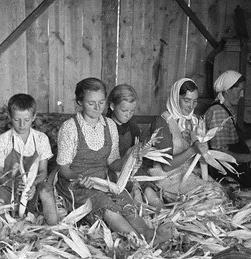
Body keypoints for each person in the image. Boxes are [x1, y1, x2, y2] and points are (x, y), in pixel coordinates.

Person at [55, 77, 171, 245]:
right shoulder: (70, 127)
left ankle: (148, 232)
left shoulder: (109, 125)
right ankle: (138, 239)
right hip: (77, 183)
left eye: (101, 102)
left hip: (104, 179)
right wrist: (79, 178)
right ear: (80, 102)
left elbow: (112, 163)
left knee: (123, 198)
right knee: (103, 203)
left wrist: (128, 159)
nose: (97, 108)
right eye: (91, 103)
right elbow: (63, 168)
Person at [0, 94, 57, 224]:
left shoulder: (41, 139)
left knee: (46, 190)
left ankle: (54, 228)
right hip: (8, 187)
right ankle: (3, 230)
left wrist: (33, 185)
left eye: (26, 120)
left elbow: (43, 171)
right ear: (9, 116)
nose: (21, 125)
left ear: (34, 117)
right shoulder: (2, 140)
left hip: (33, 187)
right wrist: (13, 184)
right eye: (16, 120)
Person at [204, 70, 251, 188]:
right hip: (227, 172)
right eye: (240, 90)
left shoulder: (227, 109)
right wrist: (250, 157)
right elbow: (219, 153)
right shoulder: (218, 112)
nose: (242, 95)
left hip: (233, 167)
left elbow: (230, 145)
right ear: (227, 90)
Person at [148, 78, 220, 199]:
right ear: (176, 98)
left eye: (195, 101)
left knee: (218, 194)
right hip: (168, 177)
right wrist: (192, 150)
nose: (191, 106)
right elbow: (166, 166)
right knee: (208, 198)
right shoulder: (162, 122)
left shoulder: (195, 121)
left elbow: (201, 158)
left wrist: (203, 153)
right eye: (187, 100)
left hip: (190, 172)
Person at [106, 84, 141, 157]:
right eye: (124, 110)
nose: (128, 115)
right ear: (112, 106)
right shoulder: (104, 126)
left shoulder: (133, 127)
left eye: (132, 111)